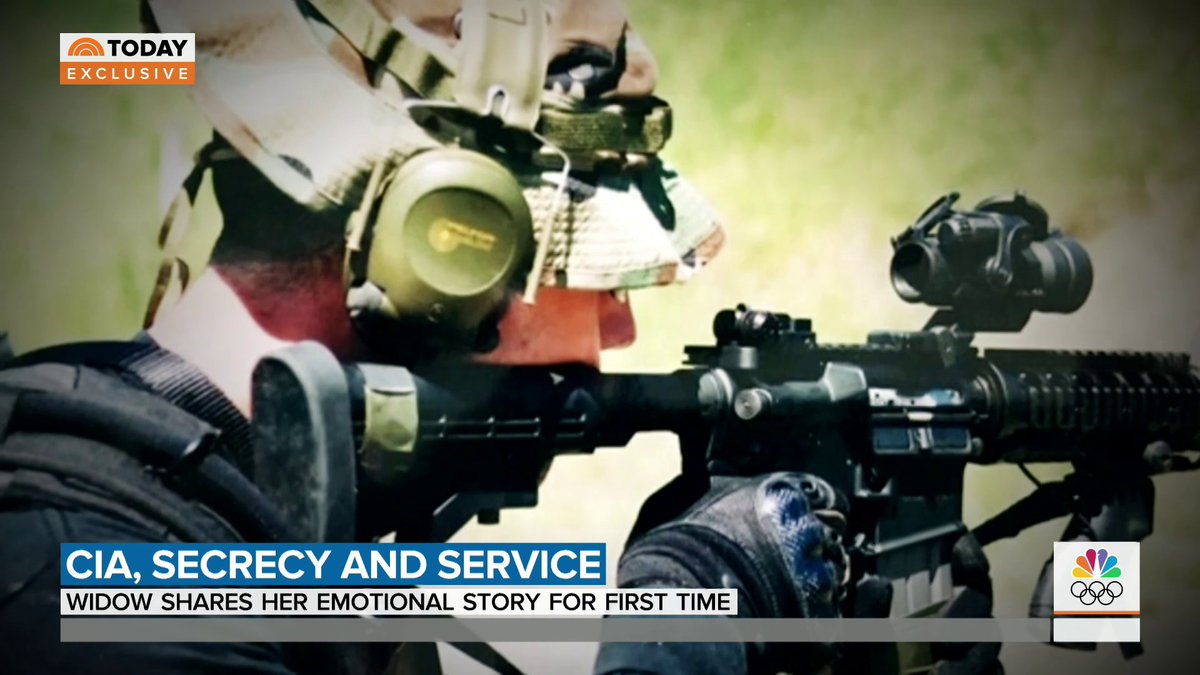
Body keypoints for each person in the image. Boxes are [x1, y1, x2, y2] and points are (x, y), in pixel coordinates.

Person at [0, 1, 996, 674]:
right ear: (444, 242)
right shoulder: (88, 601)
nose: (621, 323)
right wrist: (683, 625)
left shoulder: (267, 545)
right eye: (593, 268)